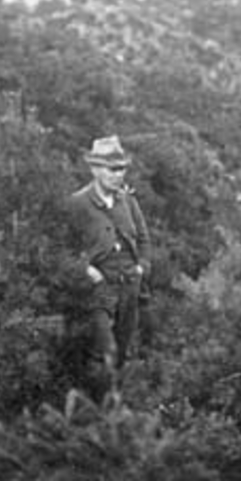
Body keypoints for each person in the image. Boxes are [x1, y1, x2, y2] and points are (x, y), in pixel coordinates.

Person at [58, 135, 150, 397]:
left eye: (121, 169)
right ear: (95, 169)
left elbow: (144, 239)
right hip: (99, 291)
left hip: (130, 287)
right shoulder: (77, 204)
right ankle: (92, 411)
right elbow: (62, 248)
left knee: (121, 354)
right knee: (105, 351)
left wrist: (141, 266)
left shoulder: (128, 201)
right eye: (112, 169)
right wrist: (88, 272)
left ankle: (111, 416)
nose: (118, 174)